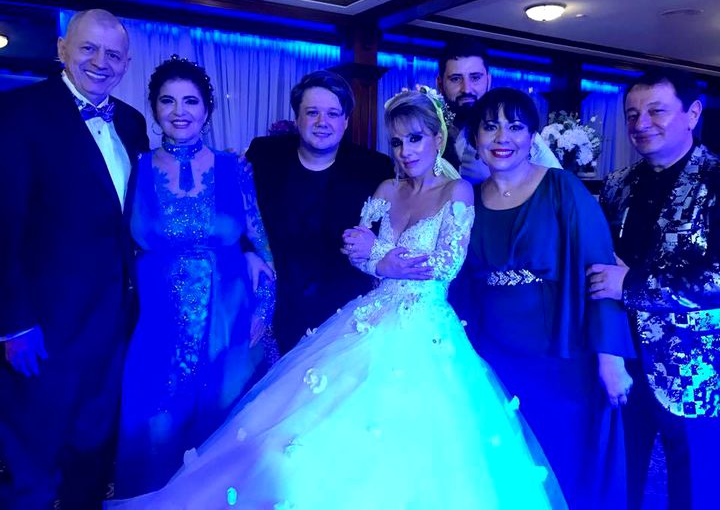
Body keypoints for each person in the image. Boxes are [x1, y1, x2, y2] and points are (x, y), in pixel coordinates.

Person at [107, 89, 566, 510]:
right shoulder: (386, 190)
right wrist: (371, 255)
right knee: (308, 430)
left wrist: (379, 256)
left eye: (416, 139)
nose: (406, 151)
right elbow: (356, 250)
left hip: (426, 329)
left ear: (438, 139)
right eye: (398, 142)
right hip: (371, 317)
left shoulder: (457, 190)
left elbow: (445, 263)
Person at [0, 9, 149, 510]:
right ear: (62, 49)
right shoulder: (18, 113)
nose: (100, 62)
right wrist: (14, 325)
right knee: (33, 462)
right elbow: (4, 226)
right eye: (88, 48)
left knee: (92, 456)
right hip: (44, 329)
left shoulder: (132, 122)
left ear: (126, 63)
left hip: (113, 324)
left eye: (113, 54)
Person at [458, 87, 634, 509]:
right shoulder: (467, 199)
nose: (502, 137)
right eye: (490, 127)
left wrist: (611, 358)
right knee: (506, 467)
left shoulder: (561, 188)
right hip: (493, 357)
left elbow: (600, 272)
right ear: (475, 138)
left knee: (561, 459)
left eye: (516, 127)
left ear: (532, 137)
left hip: (560, 353)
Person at [113, 56, 276, 498]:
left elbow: (261, 243)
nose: (179, 111)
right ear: (154, 108)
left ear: (207, 109)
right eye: (168, 101)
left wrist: (264, 307)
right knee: (156, 429)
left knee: (224, 436)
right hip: (158, 325)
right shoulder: (135, 167)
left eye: (190, 101)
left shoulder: (234, 167)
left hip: (230, 324)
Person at [594, 69, 720, 510]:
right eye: (632, 114)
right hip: (621, 357)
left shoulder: (715, 179)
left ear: (693, 113)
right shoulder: (616, 184)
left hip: (694, 365)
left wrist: (630, 284)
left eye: (656, 111)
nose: (641, 123)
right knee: (621, 476)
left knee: (697, 484)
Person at [244, 70, 393, 355]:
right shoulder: (265, 155)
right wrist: (247, 251)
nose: (322, 122)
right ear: (297, 118)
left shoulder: (374, 168)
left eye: (333, 114)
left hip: (342, 309)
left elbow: (389, 234)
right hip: (276, 301)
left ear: (345, 121)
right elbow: (237, 210)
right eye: (312, 112)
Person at [436, 38, 561, 183]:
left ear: (488, 80)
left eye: (475, 78)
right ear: (440, 84)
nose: (467, 89)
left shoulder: (515, 132)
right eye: (456, 79)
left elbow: (558, 183)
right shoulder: (431, 130)